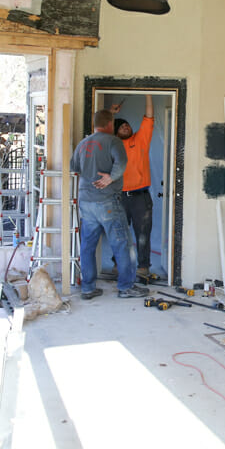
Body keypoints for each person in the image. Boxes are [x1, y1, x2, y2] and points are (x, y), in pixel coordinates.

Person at [69, 109, 147, 299]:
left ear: (95, 124)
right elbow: (122, 163)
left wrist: (91, 172)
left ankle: (87, 288)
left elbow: (74, 167)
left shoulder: (82, 143)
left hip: (86, 202)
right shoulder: (113, 141)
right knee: (123, 245)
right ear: (110, 124)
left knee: (88, 245)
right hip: (107, 202)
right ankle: (126, 287)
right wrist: (110, 178)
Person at [112, 95, 156, 283]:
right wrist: (110, 114)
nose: (125, 127)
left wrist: (147, 94)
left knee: (143, 234)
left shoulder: (140, 140)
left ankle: (143, 268)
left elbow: (148, 116)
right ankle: (118, 265)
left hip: (140, 197)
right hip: (119, 197)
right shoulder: (111, 145)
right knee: (120, 233)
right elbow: (98, 128)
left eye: (127, 125)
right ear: (114, 133)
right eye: (121, 126)